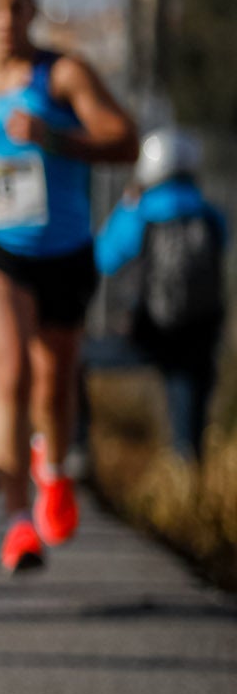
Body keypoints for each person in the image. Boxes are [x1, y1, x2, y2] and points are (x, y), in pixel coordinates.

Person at [0, 0, 139, 572]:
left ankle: (51, 469)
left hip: (63, 250)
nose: (5, 19)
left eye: (16, 6)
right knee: (11, 373)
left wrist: (54, 138)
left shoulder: (63, 74)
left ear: (32, 10)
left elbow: (126, 141)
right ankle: (17, 520)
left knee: (54, 380)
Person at [99, 128, 227, 459]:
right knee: (188, 432)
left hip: (149, 334)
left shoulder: (140, 212)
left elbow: (105, 257)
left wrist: (127, 203)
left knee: (77, 362)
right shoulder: (209, 214)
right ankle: (187, 478)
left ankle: (76, 449)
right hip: (199, 335)